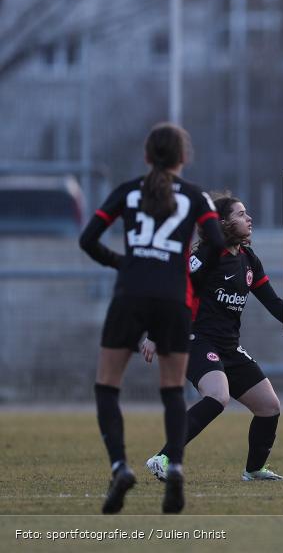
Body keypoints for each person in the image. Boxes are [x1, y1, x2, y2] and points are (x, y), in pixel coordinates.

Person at [79, 123, 225, 514]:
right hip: (174, 299)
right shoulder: (196, 197)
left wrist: (122, 262)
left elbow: (87, 239)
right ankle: (174, 467)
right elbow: (217, 241)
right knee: (173, 390)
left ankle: (119, 467)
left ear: (147, 157)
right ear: (184, 157)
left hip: (130, 295)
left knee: (107, 386)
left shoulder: (127, 191)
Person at [143, 193, 283, 482]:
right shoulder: (207, 256)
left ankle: (253, 470)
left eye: (247, 213)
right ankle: (162, 457)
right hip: (195, 340)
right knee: (217, 396)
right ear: (222, 223)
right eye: (240, 214)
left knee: (269, 407)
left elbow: (270, 299)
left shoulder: (248, 259)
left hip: (229, 346)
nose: (248, 219)